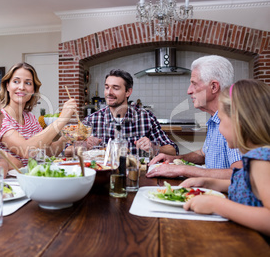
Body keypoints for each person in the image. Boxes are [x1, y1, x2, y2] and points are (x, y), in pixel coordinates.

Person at [180, 79, 270, 236]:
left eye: (221, 120)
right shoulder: (255, 158)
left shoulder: (261, 160)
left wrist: (217, 205)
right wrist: (208, 182)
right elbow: (246, 186)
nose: (219, 127)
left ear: (239, 121)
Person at [147, 55, 242, 179]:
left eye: (194, 84)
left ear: (214, 87)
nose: (189, 91)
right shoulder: (214, 119)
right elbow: (203, 154)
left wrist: (183, 169)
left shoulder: (233, 121)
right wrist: (175, 159)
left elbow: (239, 174)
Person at [66, 69, 178, 157]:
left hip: (136, 176)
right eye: (106, 87)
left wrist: (153, 148)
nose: (109, 93)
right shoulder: (92, 120)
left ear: (128, 92)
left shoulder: (145, 118)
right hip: (103, 176)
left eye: (115, 88)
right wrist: (83, 146)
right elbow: (66, 151)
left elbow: (173, 150)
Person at [0, 62, 77, 166]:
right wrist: (61, 119)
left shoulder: (29, 117)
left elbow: (47, 152)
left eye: (28, 83)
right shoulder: (0, 117)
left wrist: (66, 137)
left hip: (31, 177)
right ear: (7, 86)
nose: (21, 87)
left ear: (33, 90)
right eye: (16, 81)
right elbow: (27, 151)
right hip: (9, 180)